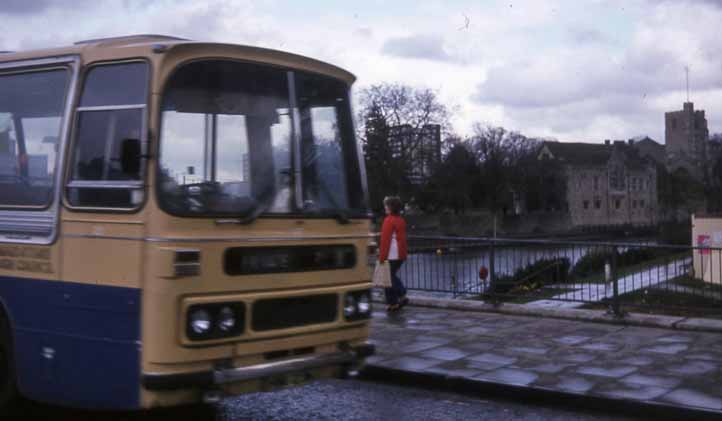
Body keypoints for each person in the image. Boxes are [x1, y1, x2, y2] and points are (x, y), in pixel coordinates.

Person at [378, 196, 408, 312]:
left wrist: (381, 257)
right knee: (388, 278)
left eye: (386, 205)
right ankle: (393, 304)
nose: (385, 207)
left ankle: (402, 295)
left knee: (389, 277)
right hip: (400, 254)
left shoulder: (388, 220)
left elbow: (385, 241)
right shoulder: (401, 220)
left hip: (391, 254)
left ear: (391, 207)